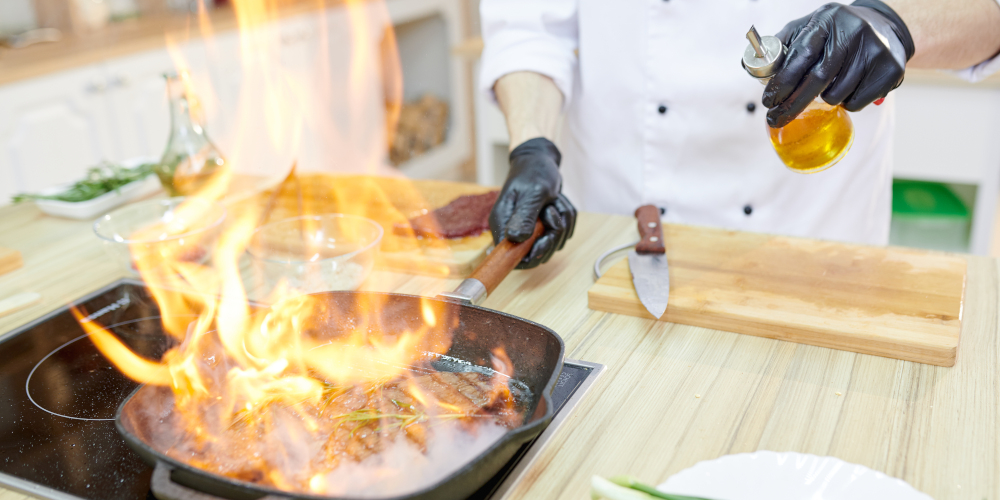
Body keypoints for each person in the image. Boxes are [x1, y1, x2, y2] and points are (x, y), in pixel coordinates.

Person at [480, 0, 1000, 268]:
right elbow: (531, 28)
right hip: (613, 243)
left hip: (805, 247)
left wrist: (890, 22)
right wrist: (533, 146)